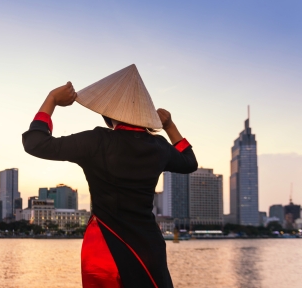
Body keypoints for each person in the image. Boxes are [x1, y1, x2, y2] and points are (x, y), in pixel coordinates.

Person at [22, 65, 198, 288]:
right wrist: (170, 126)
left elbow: (35, 143)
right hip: (148, 248)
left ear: (107, 114)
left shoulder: (97, 141)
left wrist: (52, 99)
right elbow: (190, 162)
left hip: (105, 247)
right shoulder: (159, 146)